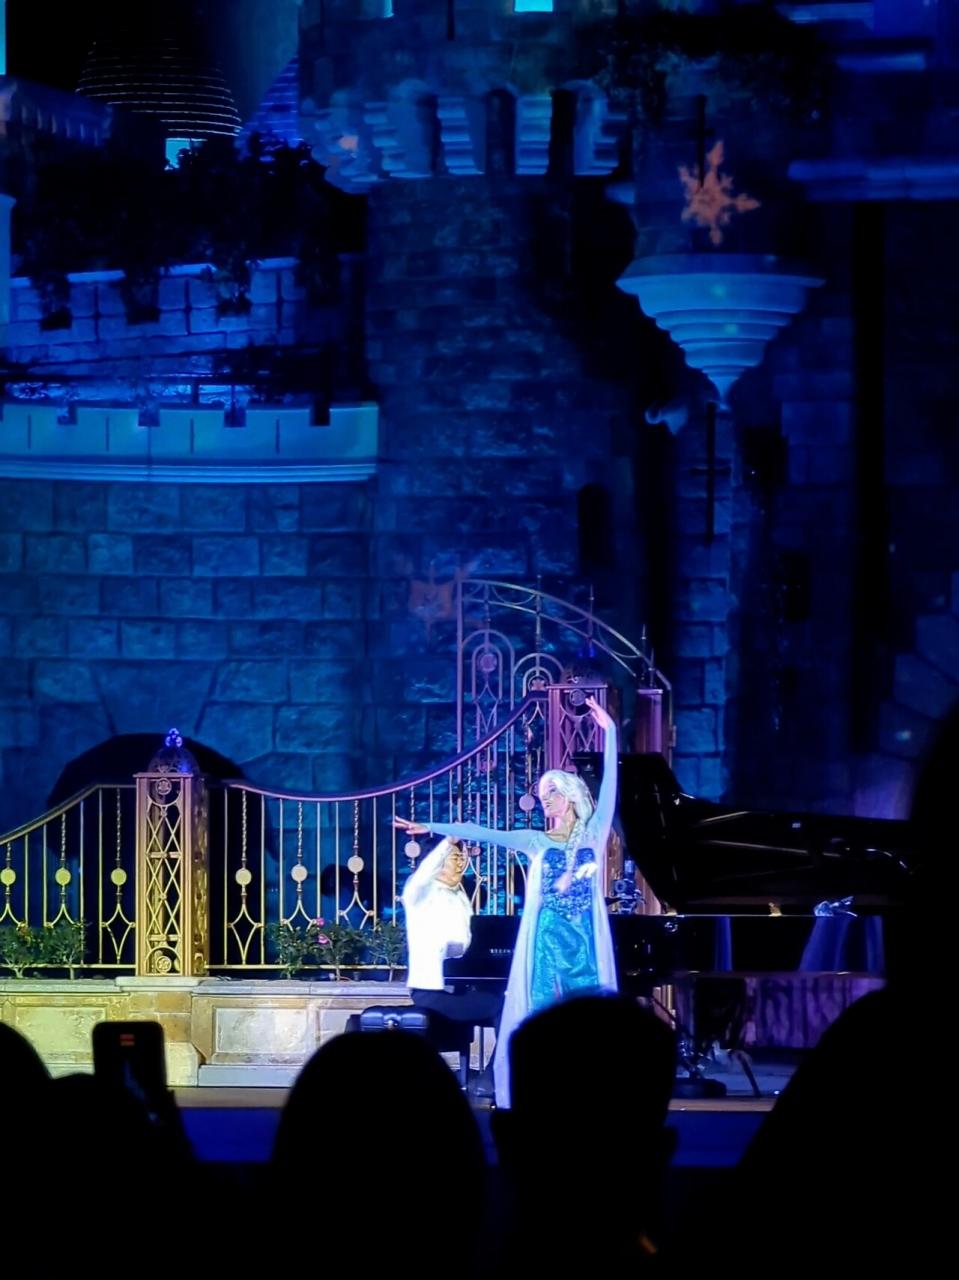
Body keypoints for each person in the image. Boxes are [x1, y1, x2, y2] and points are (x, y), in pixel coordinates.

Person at [394, 695, 618, 1106]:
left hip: (585, 938)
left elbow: (610, 792)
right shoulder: (534, 840)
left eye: (552, 792)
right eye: (542, 793)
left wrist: (612, 733)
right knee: (543, 1013)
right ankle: (543, 1089)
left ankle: (591, 1089)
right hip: (546, 938)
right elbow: (481, 831)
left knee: (589, 1015)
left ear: (569, 796)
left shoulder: (594, 832)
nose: (545, 799)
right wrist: (430, 825)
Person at [402, 835, 503, 1057]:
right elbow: (424, 872)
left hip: (460, 986)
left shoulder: (459, 894)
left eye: (461, 858)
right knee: (502, 1006)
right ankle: (495, 1074)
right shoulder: (419, 892)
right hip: (433, 992)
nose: (460, 863)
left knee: (507, 1001)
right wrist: (447, 842)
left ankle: (495, 1071)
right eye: (454, 858)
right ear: (437, 861)